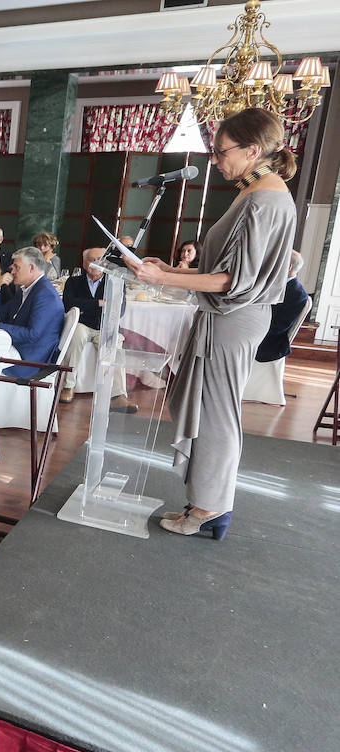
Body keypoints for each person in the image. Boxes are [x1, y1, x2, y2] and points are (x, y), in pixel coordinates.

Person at [132, 109, 297, 539]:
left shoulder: (265, 199)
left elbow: (232, 280)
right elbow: (227, 269)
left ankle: (209, 507)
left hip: (234, 319)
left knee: (218, 415)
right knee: (211, 411)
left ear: (253, 150)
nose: (215, 160)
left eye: (221, 151)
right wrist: (172, 269)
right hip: (227, 317)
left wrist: (163, 279)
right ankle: (207, 501)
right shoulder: (255, 192)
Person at [58, 248, 135, 412]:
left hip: (105, 325)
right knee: (76, 333)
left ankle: (118, 396)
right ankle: (68, 386)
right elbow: (69, 304)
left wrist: (85, 305)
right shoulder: (73, 281)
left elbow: (118, 310)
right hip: (82, 324)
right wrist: (99, 303)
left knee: (114, 344)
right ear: (84, 263)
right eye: (91, 260)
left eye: (100, 259)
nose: (96, 264)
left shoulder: (115, 281)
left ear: (106, 262)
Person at [0, 247, 64, 378]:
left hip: (30, 359)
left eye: (16, 267)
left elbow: (33, 335)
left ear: (31, 268)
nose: (11, 270)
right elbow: (1, 315)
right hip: (17, 347)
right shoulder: (25, 289)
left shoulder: (46, 295)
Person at [257, 250, 310, 362]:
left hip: (267, 342)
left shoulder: (298, 295)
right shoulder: (269, 280)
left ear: (288, 266)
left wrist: (250, 328)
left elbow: (277, 327)